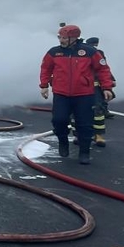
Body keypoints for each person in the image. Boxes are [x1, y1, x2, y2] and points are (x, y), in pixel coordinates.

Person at [40, 25, 114, 164]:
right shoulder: (54, 52)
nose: (60, 40)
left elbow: (103, 69)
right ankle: (63, 141)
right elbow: (45, 68)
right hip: (61, 94)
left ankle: (84, 152)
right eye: (59, 37)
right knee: (59, 120)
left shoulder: (90, 52)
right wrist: (44, 86)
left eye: (63, 38)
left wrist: (107, 88)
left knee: (85, 124)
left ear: (73, 38)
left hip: (84, 95)